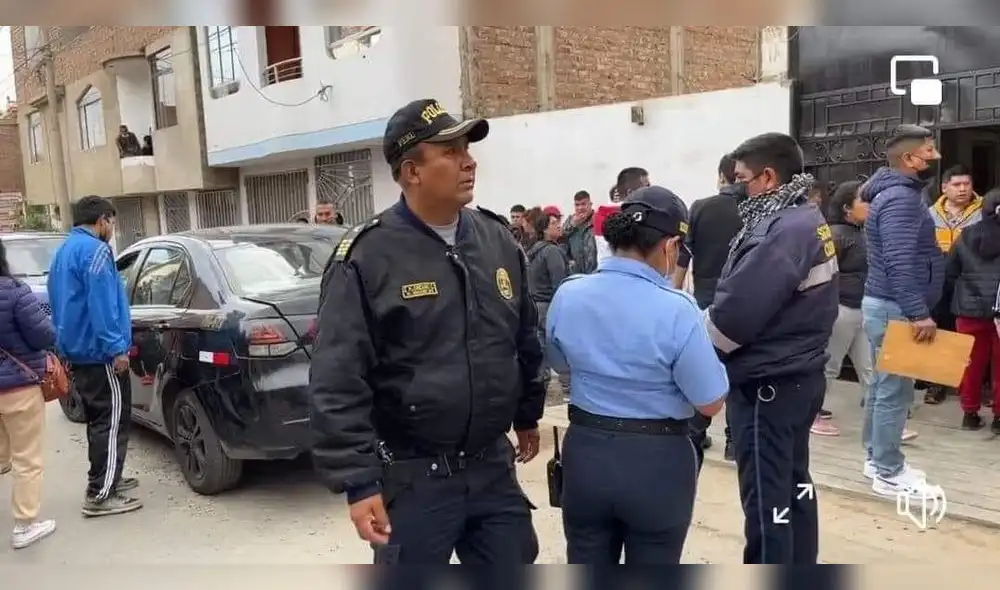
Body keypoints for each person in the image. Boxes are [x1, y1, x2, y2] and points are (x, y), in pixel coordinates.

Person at [308, 98, 546, 564]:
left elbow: (522, 339)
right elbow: (337, 378)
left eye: (467, 149)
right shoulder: (368, 256)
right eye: (451, 151)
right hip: (413, 477)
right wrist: (359, 482)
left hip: (491, 469)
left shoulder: (497, 240)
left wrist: (527, 414)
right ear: (412, 171)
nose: (468, 161)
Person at [546, 186, 728, 564]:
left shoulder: (569, 294)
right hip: (657, 462)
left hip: (587, 452)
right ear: (670, 245)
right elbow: (710, 402)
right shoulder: (678, 309)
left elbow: (562, 365)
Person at [705, 132, 838, 564]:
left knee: (768, 497)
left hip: (769, 382)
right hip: (796, 375)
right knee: (795, 484)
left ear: (767, 177)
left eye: (741, 179)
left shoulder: (783, 231)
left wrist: (698, 350)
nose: (735, 188)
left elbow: (737, 314)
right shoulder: (803, 217)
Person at [860, 124, 945, 499]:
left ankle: (875, 457)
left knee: (883, 387)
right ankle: (889, 471)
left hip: (888, 305)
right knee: (895, 392)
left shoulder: (895, 193)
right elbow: (899, 260)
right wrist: (917, 312)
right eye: (929, 151)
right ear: (909, 159)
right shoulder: (901, 199)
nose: (935, 157)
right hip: (896, 309)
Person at [47, 195, 142, 518]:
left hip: (78, 351)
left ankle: (109, 478)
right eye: (112, 222)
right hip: (101, 354)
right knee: (112, 422)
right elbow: (102, 305)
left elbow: (58, 303)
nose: (113, 229)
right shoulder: (96, 252)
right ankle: (100, 494)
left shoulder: (63, 252)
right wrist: (116, 348)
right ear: (102, 220)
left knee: (100, 421)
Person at [672, 154, 744, 460]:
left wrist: (674, 293)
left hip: (705, 301)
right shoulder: (755, 208)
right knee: (738, 373)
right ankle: (734, 442)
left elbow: (684, 255)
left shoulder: (701, 207)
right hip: (743, 302)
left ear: (721, 177)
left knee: (704, 369)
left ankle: (695, 432)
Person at [0, 241, 57, 548]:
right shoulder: (16, 292)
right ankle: (24, 526)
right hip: (19, 388)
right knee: (26, 460)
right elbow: (43, 335)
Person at [810, 181, 871, 437]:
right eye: (863, 200)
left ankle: (884, 420)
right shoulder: (835, 235)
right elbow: (822, 272)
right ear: (847, 207)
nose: (870, 205)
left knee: (870, 367)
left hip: (861, 308)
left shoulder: (862, 233)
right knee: (830, 365)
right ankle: (812, 415)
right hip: (841, 309)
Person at [923, 164, 983, 405]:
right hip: (938, 281)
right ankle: (937, 383)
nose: (962, 189)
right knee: (940, 331)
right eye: (956, 184)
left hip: (970, 281)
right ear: (944, 187)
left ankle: (970, 386)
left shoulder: (983, 213)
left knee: (969, 333)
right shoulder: (930, 214)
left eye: (966, 184)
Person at [944, 188, 1000, 432]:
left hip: (968, 310)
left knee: (970, 364)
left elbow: (950, 271)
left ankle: (969, 413)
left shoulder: (966, 235)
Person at [526, 212, 570, 399]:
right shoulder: (552, 251)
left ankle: (540, 386)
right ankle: (568, 385)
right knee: (562, 346)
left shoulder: (533, 251)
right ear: (544, 229)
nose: (559, 225)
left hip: (535, 306)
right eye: (553, 223)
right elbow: (560, 282)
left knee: (541, 348)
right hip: (550, 304)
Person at [562, 191, 598, 275]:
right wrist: (572, 225)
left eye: (583, 204)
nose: (580, 208)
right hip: (576, 274)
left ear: (590, 204)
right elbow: (561, 239)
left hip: (595, 272)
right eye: (577, 205)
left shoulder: (597, 220)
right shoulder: (570, 221)